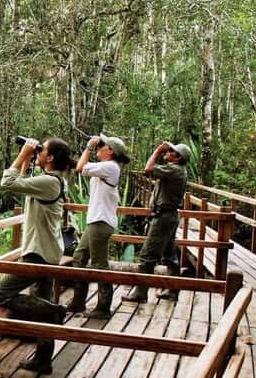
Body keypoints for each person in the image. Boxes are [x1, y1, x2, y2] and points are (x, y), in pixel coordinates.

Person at [0, 137, 75, 374]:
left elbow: (7, 182)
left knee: (0, 294)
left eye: (42, 150)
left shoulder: (49, 182)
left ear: (49, 158)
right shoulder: (55, 180)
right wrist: (30, 156)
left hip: (37, 254)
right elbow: (22, 182)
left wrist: (23, 153)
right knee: (41, 305)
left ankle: (53, 310)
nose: (39, 152)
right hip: (50, 251)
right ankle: (42, 359)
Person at [68, 134, 130, 319]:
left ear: (110, 151)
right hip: (95, 221)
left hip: (101, 222)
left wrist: (88, 147)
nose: (98, 147)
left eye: (102, 145)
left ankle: (103, 307)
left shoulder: (110, 167)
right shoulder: (105, 167)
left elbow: (80, 168)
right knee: (79, 258)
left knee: (99, 265)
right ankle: (78, 302)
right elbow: (81, 166)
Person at [123, 141, 191, 303]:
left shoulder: (174, 169)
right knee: (170, 255)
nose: (167, 152)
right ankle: (173, 290)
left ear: (177, 157)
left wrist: (157, 151)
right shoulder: (176, 170)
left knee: (147, 256)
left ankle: (140, 292)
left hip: (163, 218)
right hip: (169, 216)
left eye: (171, 151)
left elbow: (148, 169)